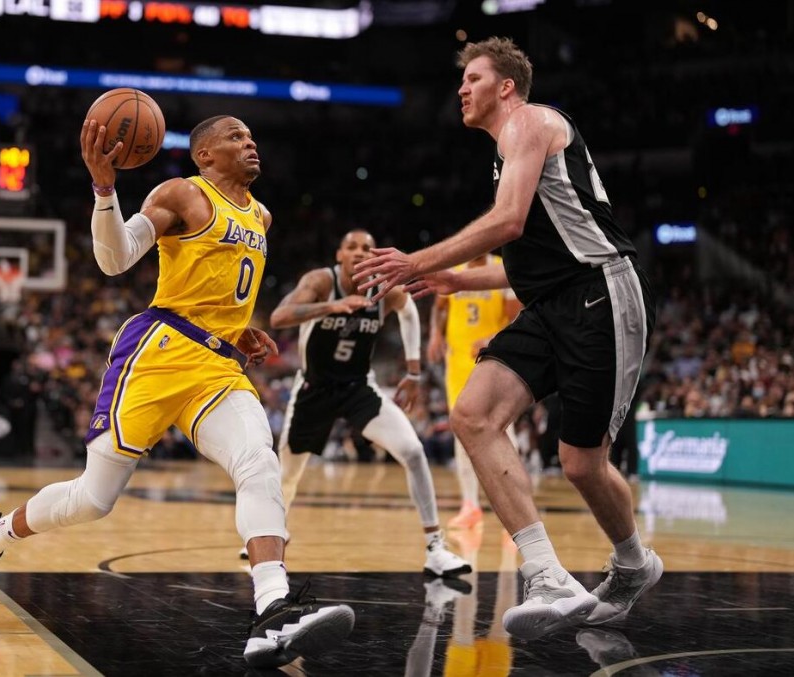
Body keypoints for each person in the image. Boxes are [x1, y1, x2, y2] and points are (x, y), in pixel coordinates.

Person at [0, 115, 354, 669]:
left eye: (252, 136)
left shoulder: (261, 215)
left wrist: (239, 330)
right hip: (157, 355)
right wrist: (104, 189)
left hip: (217, 367)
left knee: (259, 460)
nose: (250, 142)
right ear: (204, 155)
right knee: (93, 500)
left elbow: (220, 286)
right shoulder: (182, 194)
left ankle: (272, 610)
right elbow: (115, 259)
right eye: (236, 137)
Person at [354, 36, 661, 640]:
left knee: (582, 464)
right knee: (472, 415)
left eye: (473, 78)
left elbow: (508, 222)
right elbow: (529, 262)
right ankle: (546, 573)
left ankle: (633, 564)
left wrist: (418, 261)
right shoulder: (508, 150)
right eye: (461, 80)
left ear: (507, 86)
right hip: (553, 301)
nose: (462, 89)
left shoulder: (530, 122)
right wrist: (457, 279)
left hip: (603, 292)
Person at [264, 229, 471, 578]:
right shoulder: (321, 282)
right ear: (340, 255)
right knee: (288, 474)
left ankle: (435, 548)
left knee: (413, 451)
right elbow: (278, 318)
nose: (359, 252)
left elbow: (408, 311)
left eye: (367, 248)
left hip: (358, 387)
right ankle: (270, 536)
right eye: (352, 247)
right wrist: (331, 306)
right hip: (314, 388)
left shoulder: (384, 290)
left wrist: (414, 371)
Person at [426, 254, 518, 530]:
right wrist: (436, 334)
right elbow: (439, 307)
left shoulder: (503, 268)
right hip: (457, 362)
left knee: (503, 429)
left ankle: (515, 505)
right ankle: (470, 505)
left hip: (494, 359)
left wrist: (493, 339)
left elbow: (517, 317)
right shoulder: (453, 269)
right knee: (461, 429)